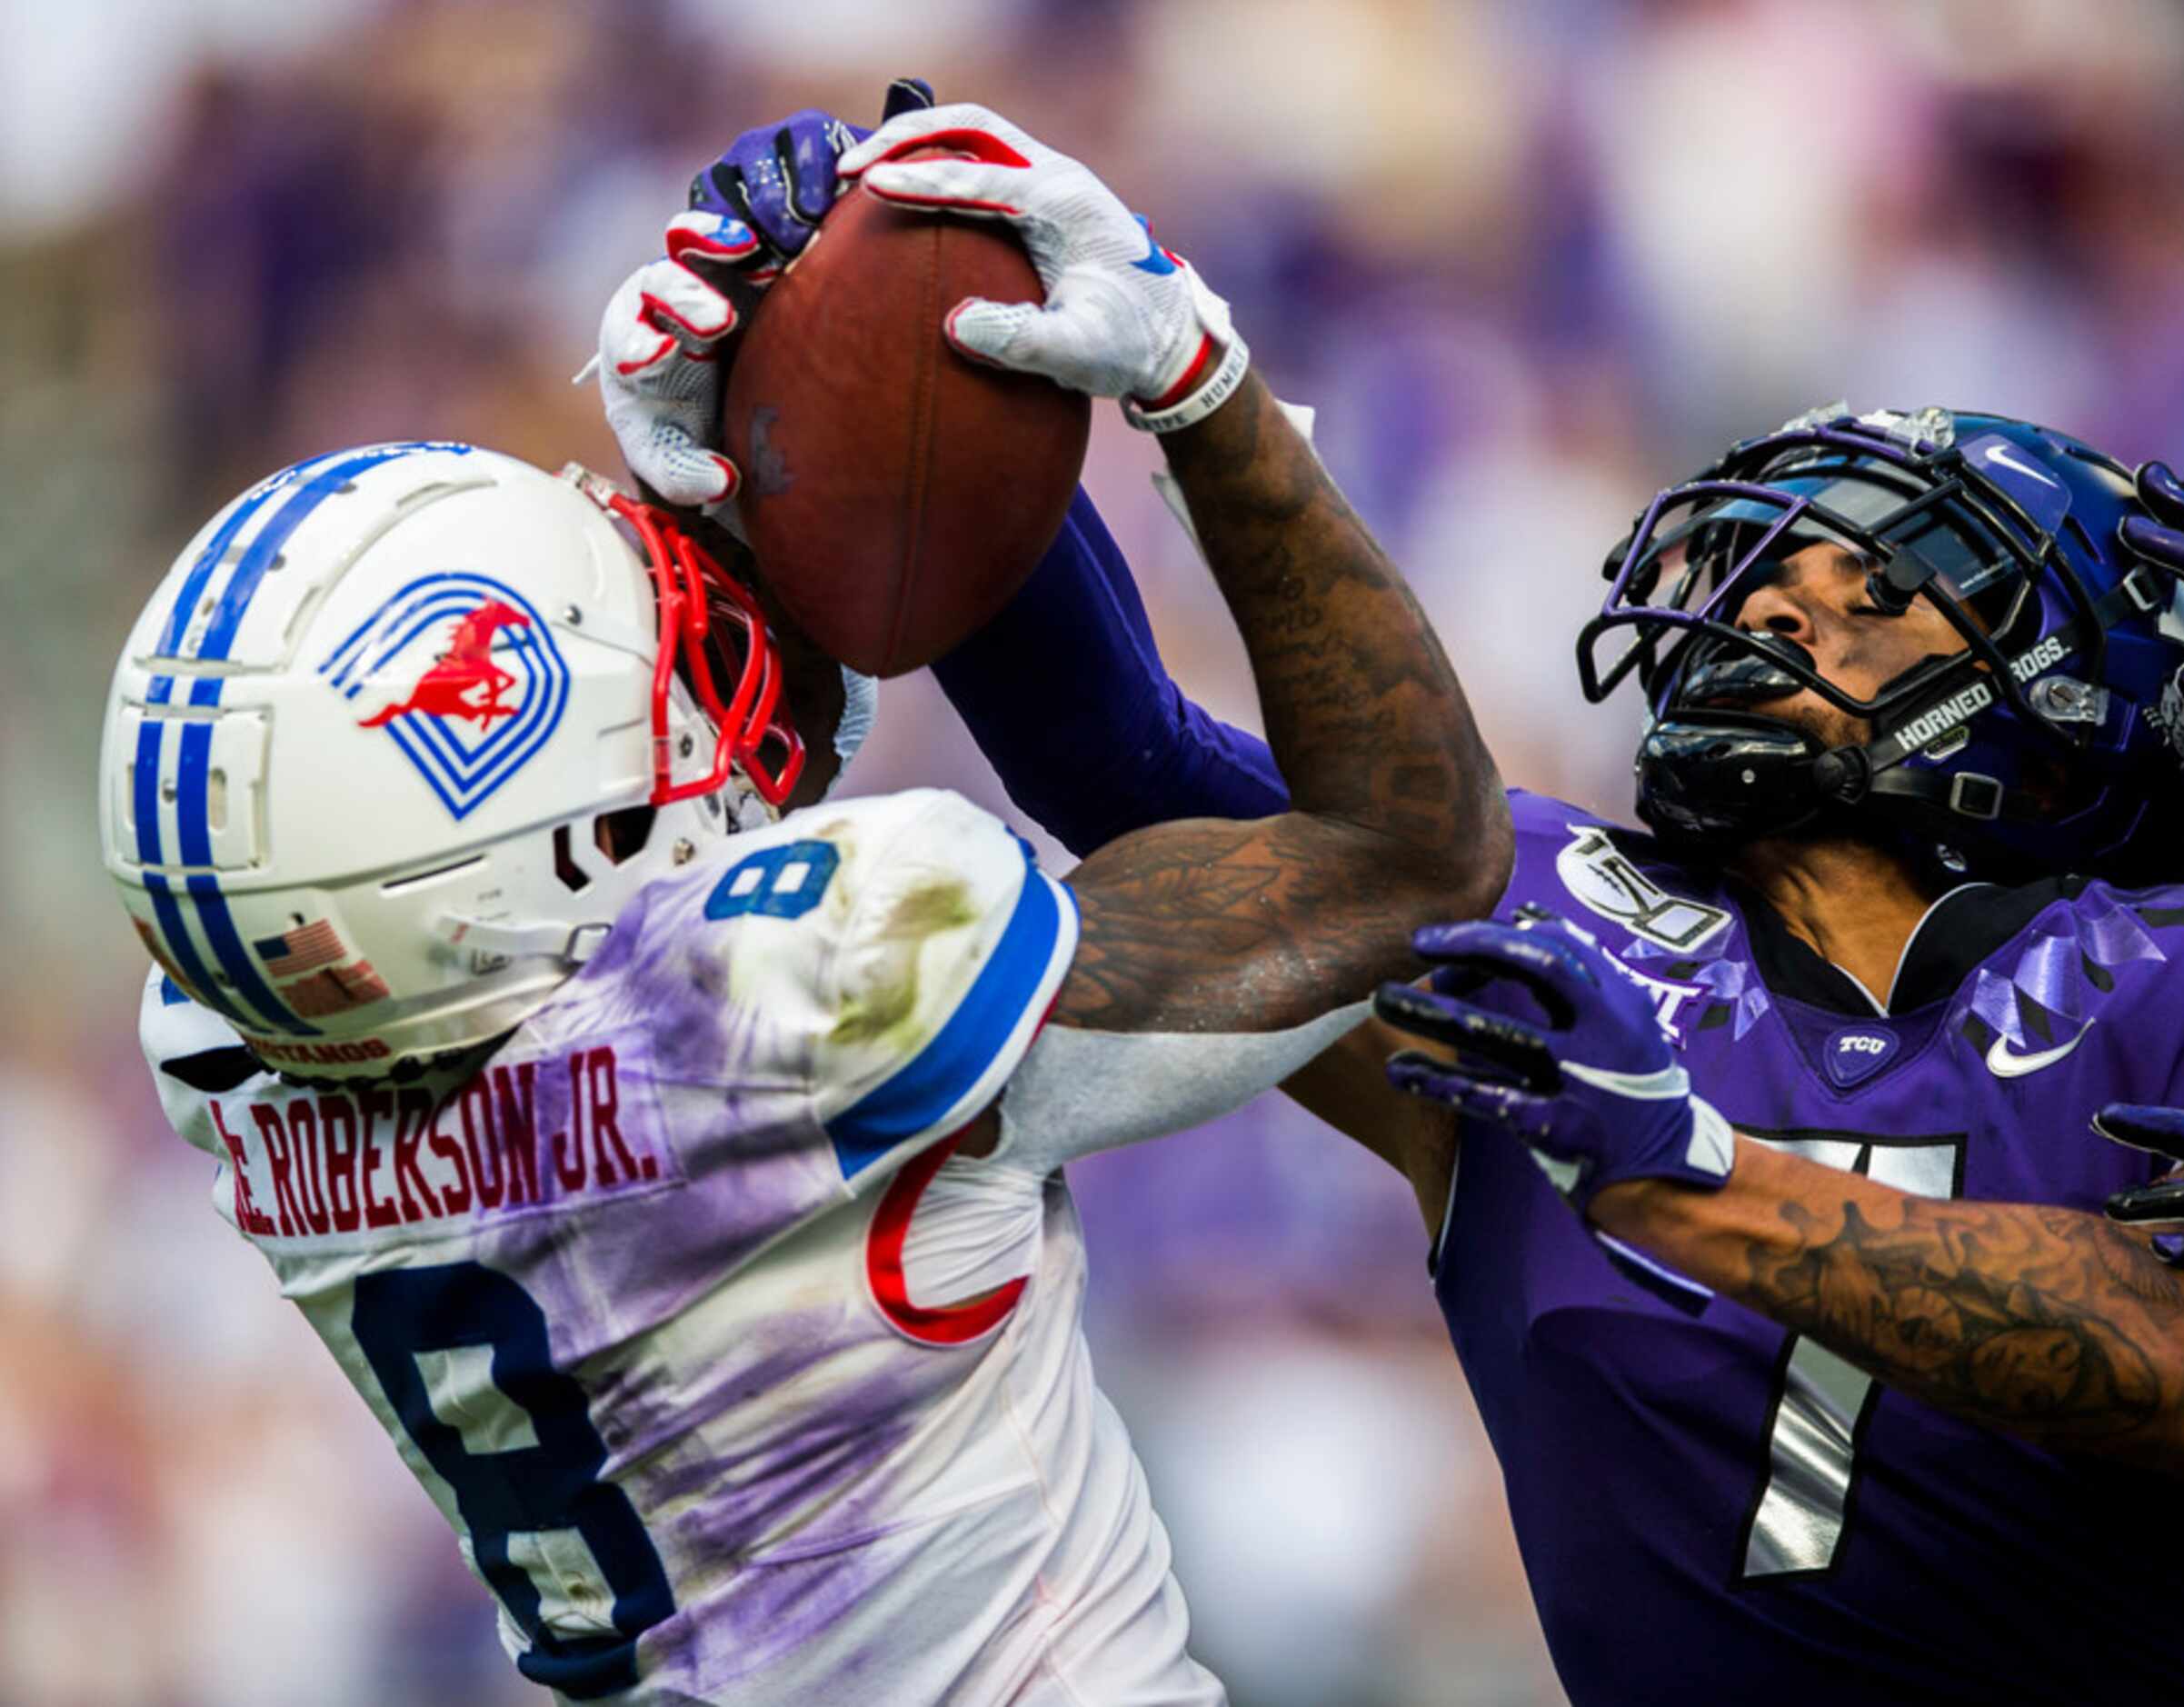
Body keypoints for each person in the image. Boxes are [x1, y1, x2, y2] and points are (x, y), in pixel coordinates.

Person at [604, 102, 2184, 1700]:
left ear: (2063, 689)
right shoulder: (1551, 914)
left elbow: (2181, 1357)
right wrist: (904, 318)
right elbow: (1121, 759)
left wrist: (1684, 1174)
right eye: (1763, 569)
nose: (1773, 610)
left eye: (1875, 591)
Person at [103, 104, 1511, 1707]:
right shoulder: (798, 995)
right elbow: (1413, 859)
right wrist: (1196, 378)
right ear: (537, 864)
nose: (666, 600)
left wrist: (782, 422)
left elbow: (580, 887)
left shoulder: (233, 1045)